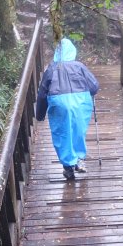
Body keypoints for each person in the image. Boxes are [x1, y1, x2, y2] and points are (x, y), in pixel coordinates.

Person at [35, 38, 99, 181]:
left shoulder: (51, 68)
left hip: (59, 103)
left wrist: (39, 115)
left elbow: (42, 93)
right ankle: (80, 158)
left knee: (62, 133)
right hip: (80, 101)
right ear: (72, 51)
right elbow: (94, 87)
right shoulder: (79, 66)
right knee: (78, 129)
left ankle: (68, 167)